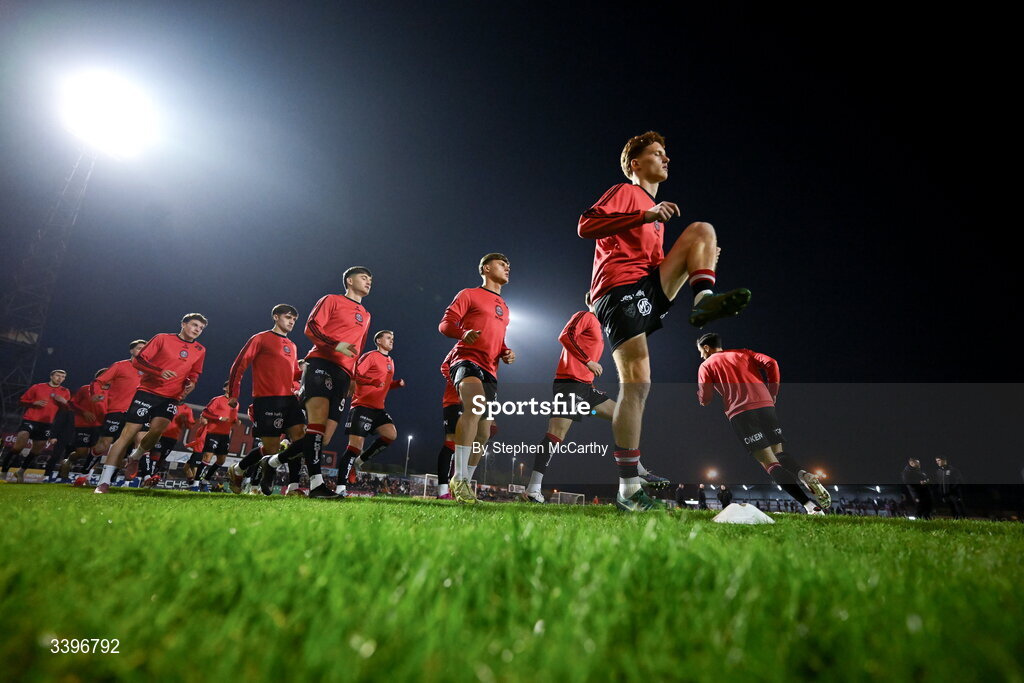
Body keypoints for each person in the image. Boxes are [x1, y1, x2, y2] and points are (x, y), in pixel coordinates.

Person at [578, 131, 752, 512]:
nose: (666, 158)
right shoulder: (626, 192)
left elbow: (656, 267)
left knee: (701, 232)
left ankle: (704, 299)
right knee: (636, 386)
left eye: (666, 153)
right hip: (619, 290)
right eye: (657, 153)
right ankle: (627, 490)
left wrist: (700, 262)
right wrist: (644, 214)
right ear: (636, 164)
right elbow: (586, 225)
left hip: (645, 288)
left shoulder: (658, 220)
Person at [522, 294, 669, 503]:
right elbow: (565, 336)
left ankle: (638, 471)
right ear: (594, 302)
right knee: (556, 434)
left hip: (586, 388)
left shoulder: (600, 327)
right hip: (570, 384)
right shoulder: (586, 316)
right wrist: (587, 361)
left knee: (623, 417)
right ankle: (532, 489)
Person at [260, 268, 373, 499]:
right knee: (316, 426)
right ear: (349, 281)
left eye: (370, 279)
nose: (369, 282)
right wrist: (336, 345)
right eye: (364, 278)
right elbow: (311, 328)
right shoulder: (331, 300)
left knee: (323, 438)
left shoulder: (367, 314)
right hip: (320, 363)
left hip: (343, 374)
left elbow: (358, 348)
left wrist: (353, 376)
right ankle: (316, 485)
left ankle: (271, 463)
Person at [696, 333, 829, 515]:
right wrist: (772, 392)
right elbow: (771, 363)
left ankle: (810, 506)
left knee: (770, 464)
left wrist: (701, 396)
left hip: (741, 413)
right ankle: (803, 475)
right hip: (766, 406)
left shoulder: (706, 365)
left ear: (706, 348)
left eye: (700, 351)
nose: (701, 356)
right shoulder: (743, 353)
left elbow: (706, 398)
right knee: (779, 453)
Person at [95, 314, 207, 493]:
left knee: (157, 432)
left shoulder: (201, 349)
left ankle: (135, 457)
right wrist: (159, 372)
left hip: (172, 397)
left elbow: (195, 372)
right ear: (183, 324)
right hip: (147, 392)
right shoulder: (162, 338)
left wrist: (191, 383)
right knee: (127, 435)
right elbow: (139, 361)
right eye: (194, 325)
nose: (197, 330)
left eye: (201, 328)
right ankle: (104, 481)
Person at [438, 253, 516, 504]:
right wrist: (463, 332)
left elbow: (499, 339)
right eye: (502, 264)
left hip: (491, 370)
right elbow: (445, 324)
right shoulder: (469, 294)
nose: (507, 267)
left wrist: (505, 351)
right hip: (466, 359)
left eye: (508, 265)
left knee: (484, 432)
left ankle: (466, 483)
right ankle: (458, 478)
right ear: (485, 268)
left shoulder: (505, 308)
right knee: (474, 405)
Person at [222, 304, 306, 495]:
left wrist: (309, 372)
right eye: (288, 317)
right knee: (271, 449)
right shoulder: (260, 338)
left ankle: (293, 488)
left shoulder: (292, 346)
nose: (291, 321)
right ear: (276, 317)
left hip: (290, 400)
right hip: (268, 399)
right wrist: (233, 393)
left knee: (300, 438)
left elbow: (293, 374)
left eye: (294, 319)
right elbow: (239, 364)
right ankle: (237, 470)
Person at [337, 330, 406, 494]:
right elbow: (357, 375)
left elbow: (384, 384)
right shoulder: (371, 356)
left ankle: (359, 462)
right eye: (388, 338)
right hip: (362, 406)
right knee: (354, 447)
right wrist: (372, 381)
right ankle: (340, 488)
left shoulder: (391, 361)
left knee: (391, 434)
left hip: (378, 409)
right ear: (379, 340)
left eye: (393, 338)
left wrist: (396, 384)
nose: (391, 341)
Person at [1, 370, 71, 482]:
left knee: (37, 451)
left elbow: (66, 410)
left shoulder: (65, 391)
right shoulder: (37, 387)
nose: (60, 378)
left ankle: (20, 472)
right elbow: (21, 401)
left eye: (63, 377)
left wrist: (64, 403)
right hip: (30, 419)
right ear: (51, 376)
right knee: (19, 445)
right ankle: (3, 472)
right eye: (58, 375)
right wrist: (33, 403)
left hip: (47, 423)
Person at [92, 340, 147, 464]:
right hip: (117, 410)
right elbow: (99, 381)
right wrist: (96, 394)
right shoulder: (120, 365)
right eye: (139, 348)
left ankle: (110, 476)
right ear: (131, 351)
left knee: (125, 445)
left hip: (137, 413)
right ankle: (85, 473)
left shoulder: (150, 371)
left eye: (145, 349)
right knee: (104, 444)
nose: (142, 351)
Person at [56, 370, 108, 482]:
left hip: (99, 425)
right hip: (83, 424)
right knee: (82, 452)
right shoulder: (85, 389)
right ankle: (69, 460)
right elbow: (72, 403)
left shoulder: (110, 392)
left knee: (96, 451)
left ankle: (87, 476)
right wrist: (84, 412)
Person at [192, 383, 238, 490]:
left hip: (225, 435)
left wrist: (236, 421)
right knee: (207, 457)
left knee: (221, 460)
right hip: (213, 432)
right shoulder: (217, 400)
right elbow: (205, 413)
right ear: (225, 388)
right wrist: (219, 418)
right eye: (229, 387)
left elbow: (233, 418)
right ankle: (195, 484)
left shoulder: (236, 404)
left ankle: (205, 481)